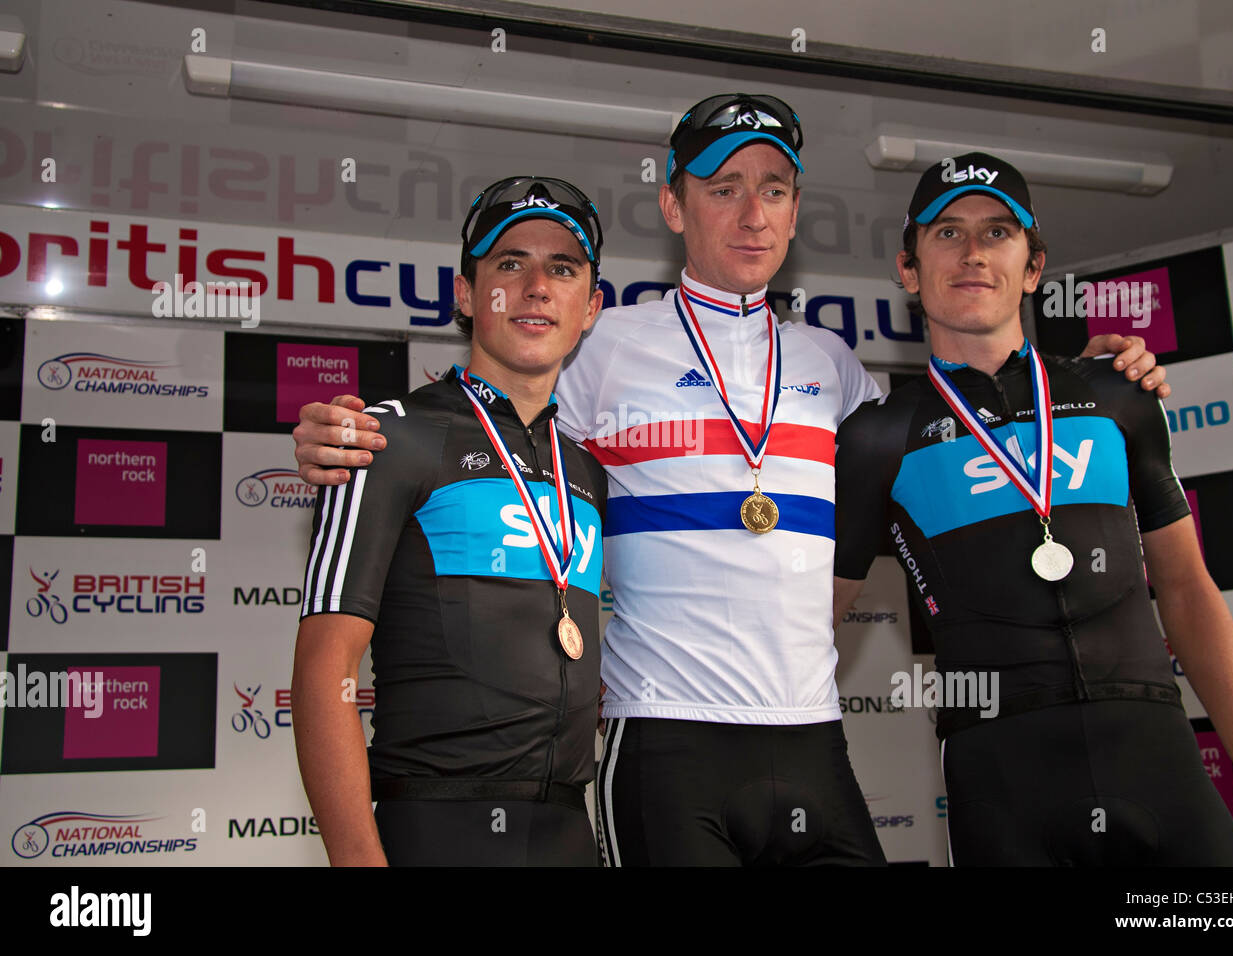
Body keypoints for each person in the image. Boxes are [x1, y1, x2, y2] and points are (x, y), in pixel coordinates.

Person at [291, 96, 1167, 866]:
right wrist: (334, 431)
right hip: (664, 740)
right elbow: (482, 427)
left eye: (774, 190)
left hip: (815, 737)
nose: (751, 214)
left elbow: (970, 426)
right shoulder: (601, 348)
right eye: (722, 188)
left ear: (794, 217)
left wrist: (1083, 375)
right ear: (673, 205)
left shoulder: (838, 370)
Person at [833, 152, 1233, 866]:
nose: (973, 254)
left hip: (1153, 751)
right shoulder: (875, 437)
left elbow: (1184, 586)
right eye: (947, 233)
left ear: (1032, 267)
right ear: (908, 267)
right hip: (1002, 772)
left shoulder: (1117, 395)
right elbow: (816, 625)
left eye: (997, 234)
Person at [291, 176, 607, 866]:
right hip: (436, 829)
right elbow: (323, 671)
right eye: (509, 263)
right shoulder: (383, 440)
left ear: (590, 308)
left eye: (563, 268)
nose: (536, 287)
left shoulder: (585, 470)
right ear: (466, 294)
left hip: (569, 831)